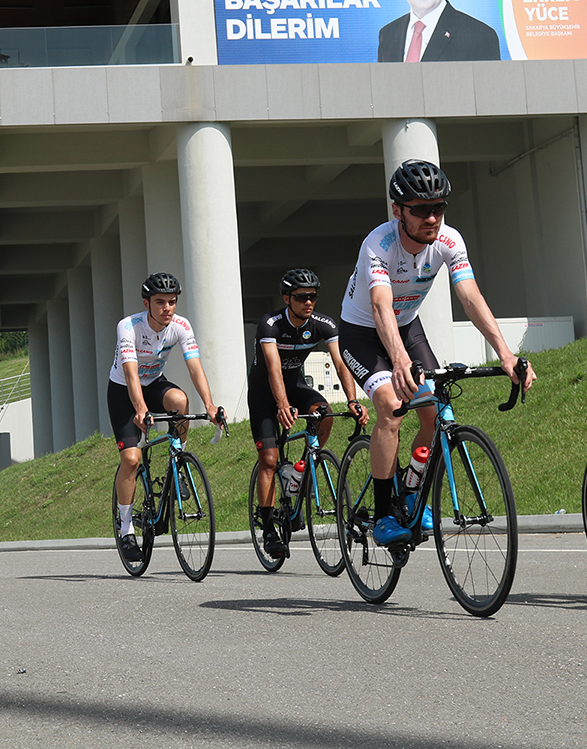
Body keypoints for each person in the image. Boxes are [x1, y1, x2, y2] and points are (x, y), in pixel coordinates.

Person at [339, 159, 535, 545]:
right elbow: (380, 307)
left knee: (434, 411)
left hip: (408, 327)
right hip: (363, 332)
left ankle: (410, 491)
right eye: (421, 209)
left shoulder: (449, 240)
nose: (432, 218)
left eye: (439, 207)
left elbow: (470, 296)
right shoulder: (377, 245)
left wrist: (506, 354)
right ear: (398, 210)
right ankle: (382, 515)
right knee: (391, 405)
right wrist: (397, 361)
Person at [248, 268, 367, 558]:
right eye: (302, 297)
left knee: (324, 414)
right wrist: (281, 405)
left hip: (296, 385)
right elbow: (274, 369)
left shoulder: (323, 324)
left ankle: (299, 474)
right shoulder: (271, 324)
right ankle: (268, 528)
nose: (309, 302)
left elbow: (340, 363)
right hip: (265, 392)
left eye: (313, 296)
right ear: (287, 298)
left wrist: (353, 400)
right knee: (269, 459)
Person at [109, 272, 225, 562]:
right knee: (132, 460)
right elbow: (130, 372)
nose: (167, 308)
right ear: (146, 303)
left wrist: (210, 406)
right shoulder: (129, 327)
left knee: (179, 400)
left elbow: (195, 367)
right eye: (160, 302)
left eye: (172, 302)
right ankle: (125, 530)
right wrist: (139, 408)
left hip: (155, 384)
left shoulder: (181, 326)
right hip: (124, 391)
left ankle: (178, 461)